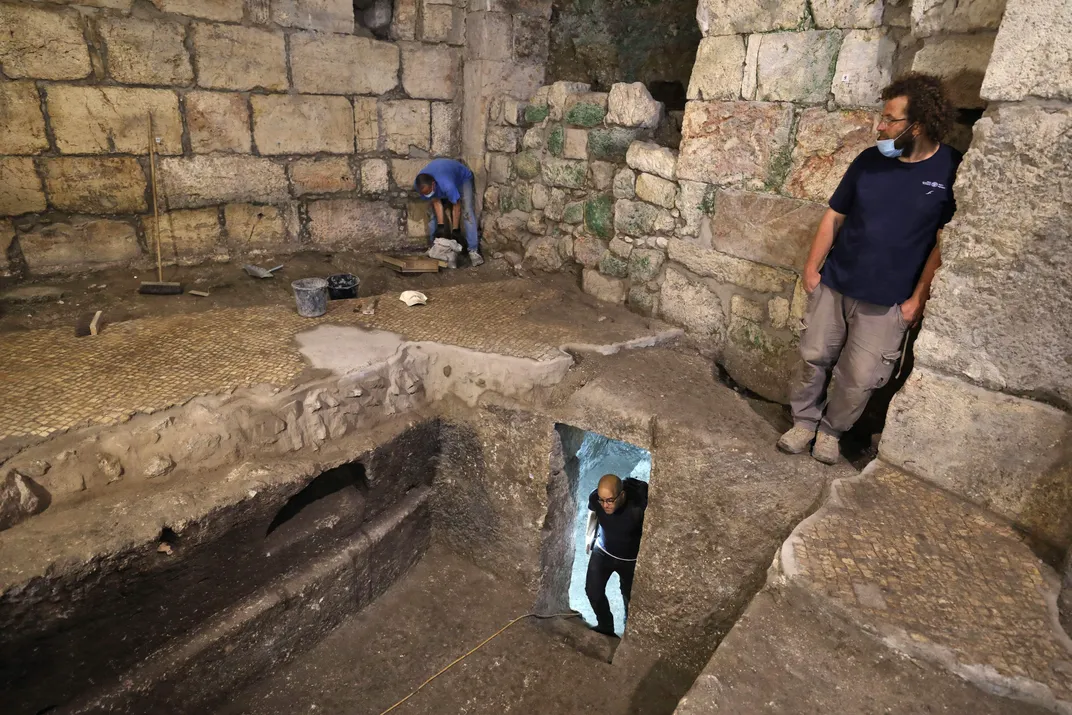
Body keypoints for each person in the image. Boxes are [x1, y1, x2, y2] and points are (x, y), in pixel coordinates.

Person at [777, 72, 961, 464]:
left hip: (889, 299)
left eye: (891, 119)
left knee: (860, 378)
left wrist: (916, 300)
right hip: (837, 283)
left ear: (920, 124)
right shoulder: (869, 161)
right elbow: (834, 216)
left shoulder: (950, 170)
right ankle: (804, 422)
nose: (881, 126)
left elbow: (944, 242)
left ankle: (830, 432)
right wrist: (812, 269)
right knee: (813, 357)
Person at [584, 474, 648, 636]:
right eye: (602, 500)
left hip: (631, 559)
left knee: (629, 596)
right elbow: (593, 513)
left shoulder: (637, 509)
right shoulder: (596, 499)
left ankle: (628, 624)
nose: (605, 505)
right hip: (603, 551)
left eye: (610, 500)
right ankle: (606, 626)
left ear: (622, 495)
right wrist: (588, 536)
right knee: (593, 591)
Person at [414, 158, 483, 267]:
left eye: (428, 191)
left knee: (467, 212)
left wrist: (456, 229)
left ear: (433, 184)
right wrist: (441, 226)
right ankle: (434, 247)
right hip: (443, 173)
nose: (427, 194)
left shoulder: (447, 185)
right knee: (431, 214)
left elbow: (456, 205)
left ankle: (473, 251)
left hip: (462, 179)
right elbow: (435, 201)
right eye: (425, 193)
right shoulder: (420, 185)